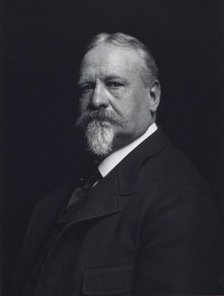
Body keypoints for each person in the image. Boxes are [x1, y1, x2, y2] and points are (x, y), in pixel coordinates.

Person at [14, 32, 221, 296]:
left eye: (114, 84)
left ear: (153, 96)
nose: (97, 100)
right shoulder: (61, 194)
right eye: (87, 87)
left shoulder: (181, 198)